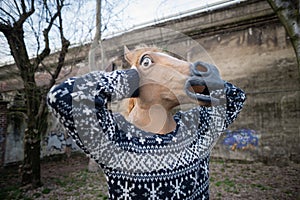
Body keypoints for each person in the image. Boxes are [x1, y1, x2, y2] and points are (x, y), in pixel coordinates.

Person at [47, 46, 246, 199]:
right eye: (149, 63)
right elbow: (61, 97)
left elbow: (236, 97)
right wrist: (135, 76)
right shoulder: (116, 141)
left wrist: (207, 88)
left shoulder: (196, 128)